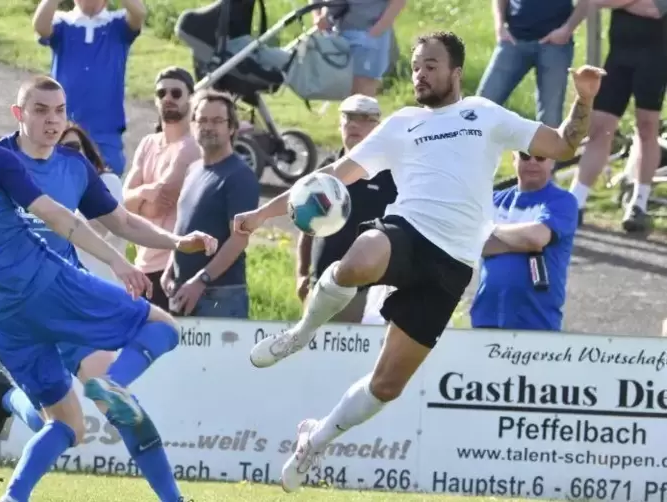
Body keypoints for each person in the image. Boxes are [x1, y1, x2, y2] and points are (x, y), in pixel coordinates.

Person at [233, 31, 604, 492]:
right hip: (407, 231)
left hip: (453, 265)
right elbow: (330, 177)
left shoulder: (484, 115)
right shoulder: (401, 124)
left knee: (387, 387)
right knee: (360, 260)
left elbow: (565, 145)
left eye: (431, 65)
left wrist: (582, 98)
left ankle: (317, 438)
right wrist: (261, 213)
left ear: (454, 71)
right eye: (415, 66)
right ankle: (299, 334)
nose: (420, 74)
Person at [0, 52, 213, 502]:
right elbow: (58, 218)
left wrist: (175, 243)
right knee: (159, 329)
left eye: (59, 111)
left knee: (69, 424)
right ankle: (103, 388)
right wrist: (119, 262)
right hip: (51, 287)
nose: (53, 120)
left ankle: (12, 456)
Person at [296, 94, 396, 322]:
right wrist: (302, 273)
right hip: (320, 286)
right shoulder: (326, 170)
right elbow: (305, 223)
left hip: (366, 293)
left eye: (363, 118)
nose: (353, 124)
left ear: (377, 126)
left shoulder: (390, 176)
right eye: (347, 118)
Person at [568, 0, 667, 231]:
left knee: (647, 127)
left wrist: (616, 3)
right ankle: (576, 200)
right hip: (619, 57)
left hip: (655, 58)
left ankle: (638, 203)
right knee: (600, 128)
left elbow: (655, 9)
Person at [161, 89, 260, 318]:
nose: (208, 127)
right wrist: (170, 268)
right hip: (183, 290)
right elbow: (183, 227)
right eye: (202, 120)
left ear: (232, 127)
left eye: (217, 121)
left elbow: (239, 240)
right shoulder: (193, 170)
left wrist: (201, 280)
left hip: (220, 296)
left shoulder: (239, 176)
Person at [32, 0, 148, 176]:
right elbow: (40, 26)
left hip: (106, 130)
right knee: (60, 185)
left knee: (107, 187)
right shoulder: (62, 22)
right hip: (64, 128)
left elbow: (139, 13)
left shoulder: (117, 24)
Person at [470, 151, 578, 331]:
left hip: (536, 320)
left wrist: (490, 232)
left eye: (541, 157)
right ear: (514, 159)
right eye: (525, 156)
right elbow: (472, 243)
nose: (533, 162)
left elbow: (537, 238)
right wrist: (520, 240)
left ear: (552, 162)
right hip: (486, 317)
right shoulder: (492, 200)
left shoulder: (562, 201)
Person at [123, 67, 201, 311]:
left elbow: (159, 204)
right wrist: (146, 193)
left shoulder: (191, 147)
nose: (168, 98)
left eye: (176, 93)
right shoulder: (148, 143)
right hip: (142, 265)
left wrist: (139, 198)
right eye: (161, 93)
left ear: (191, 98)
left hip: (172, 267)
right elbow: (122, 202)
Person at [477, 0, 589, 127]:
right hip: (513, 40)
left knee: (550, 119)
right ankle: (468, 145)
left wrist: (567, 29)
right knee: (482, 105)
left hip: (556, 46)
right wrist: (499, 26)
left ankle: (544, 147)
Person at [58, 122, 128, 283]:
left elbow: (99, 227)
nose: (69, 154)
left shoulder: (108, 182)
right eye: (59, 150)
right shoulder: (54, 195)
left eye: (73, 147)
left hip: (107, 291)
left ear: (87, 152)